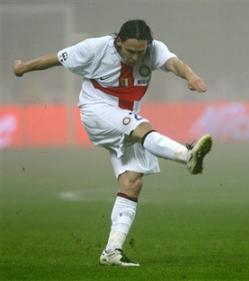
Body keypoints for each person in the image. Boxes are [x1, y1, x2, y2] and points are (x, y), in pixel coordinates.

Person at [13, 19, 212, 267]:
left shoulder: (153, 49)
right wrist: (22, 68)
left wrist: (190, 76)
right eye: (130, 51)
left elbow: (173, 63)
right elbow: (57, 58)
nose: (135, 58)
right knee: (143, 128)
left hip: (126, 119)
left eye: (140, 52)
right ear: (118, 41)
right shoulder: (95, 48)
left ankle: (112, 251)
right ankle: (186, 155)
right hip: (96, 111)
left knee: (132, 182)